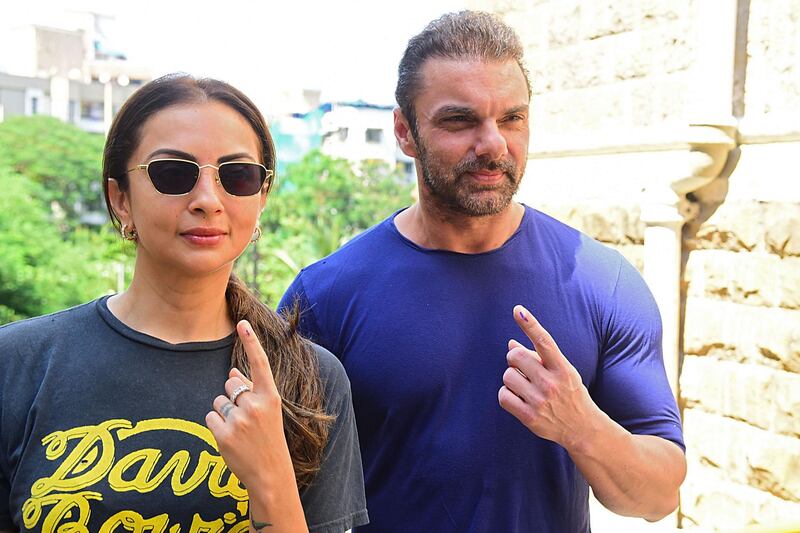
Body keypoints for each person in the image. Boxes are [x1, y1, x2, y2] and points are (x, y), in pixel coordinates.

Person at [278, 10, 686, 532]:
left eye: (512, 119)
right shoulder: (326, 296)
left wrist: (582, 429)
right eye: (460, 120)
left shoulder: (601, 282)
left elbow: (657, 496)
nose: (493, 143)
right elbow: (277, 492)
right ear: (405, 131)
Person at [0, 74, 368, 533]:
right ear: (121, 199)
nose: (209, 200)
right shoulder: (19, 363)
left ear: (261, 199)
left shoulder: (309, 379)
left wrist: (271, 478)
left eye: (237, 176)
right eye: (173, 173)